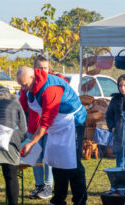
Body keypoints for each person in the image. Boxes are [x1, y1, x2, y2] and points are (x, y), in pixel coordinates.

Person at [17, 66, 88, 205]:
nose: (23, 88)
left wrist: (31, 143)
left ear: (32, 78)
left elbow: (46, 120)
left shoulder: (50, 89)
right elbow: (22, 107)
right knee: (56, 162)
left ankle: (79, 200)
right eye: (21, 85)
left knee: (73, 164)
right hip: (57, 125)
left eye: (24, 85)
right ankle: (58, 199)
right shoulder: (28, 87)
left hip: (72, 122)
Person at [18, 55, 63, 199]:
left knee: (48, 158)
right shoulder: (27, 85)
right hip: (33, 127)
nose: (43, 71)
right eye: (40, 68)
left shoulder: (52, 83)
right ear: (34, 70)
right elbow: (22, 105)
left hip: (49, 127)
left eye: (45, 68)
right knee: (35, 157)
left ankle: (48, 186)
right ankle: (39, 185)